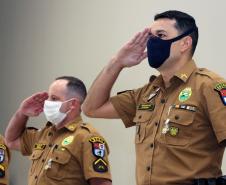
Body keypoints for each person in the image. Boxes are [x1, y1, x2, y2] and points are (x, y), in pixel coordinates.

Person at [82, 10, 226, 185]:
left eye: (161, 35)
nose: (152, 42)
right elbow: (92, 108)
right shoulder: (148, 93)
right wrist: (117, 62)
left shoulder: (209, 86)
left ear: (185, 43)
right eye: (150, 36)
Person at [5, 76, 112, 185]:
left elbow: (101, 183)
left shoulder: (86, 138)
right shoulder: (43, 134)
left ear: (72, 104)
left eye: (54, 98)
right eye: (48, 98)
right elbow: (11, 141)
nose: (47, 102)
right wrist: (22, 113)